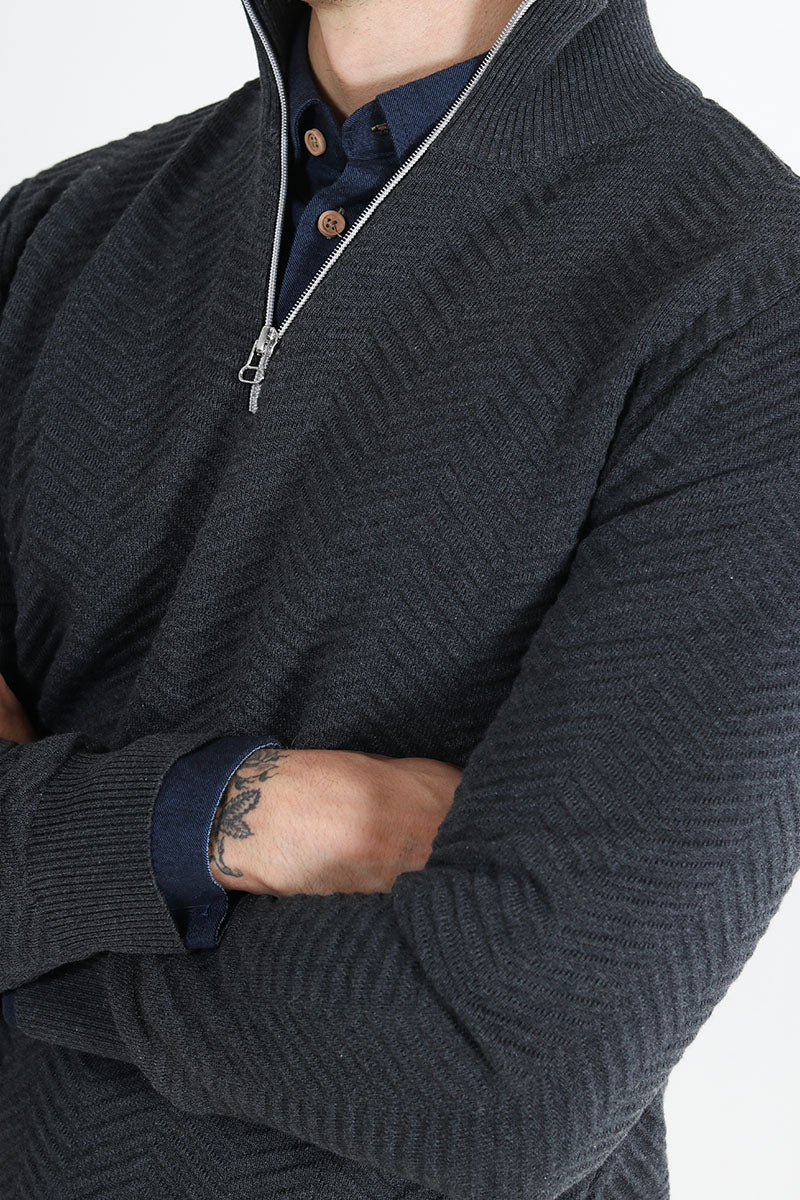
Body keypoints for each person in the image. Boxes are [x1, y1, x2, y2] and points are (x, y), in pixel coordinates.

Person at [0, 0, 798, 1195]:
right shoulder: (55, 234)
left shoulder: (748, 304)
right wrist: (225, 817)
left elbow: (504, 1078)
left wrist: (35, 928)